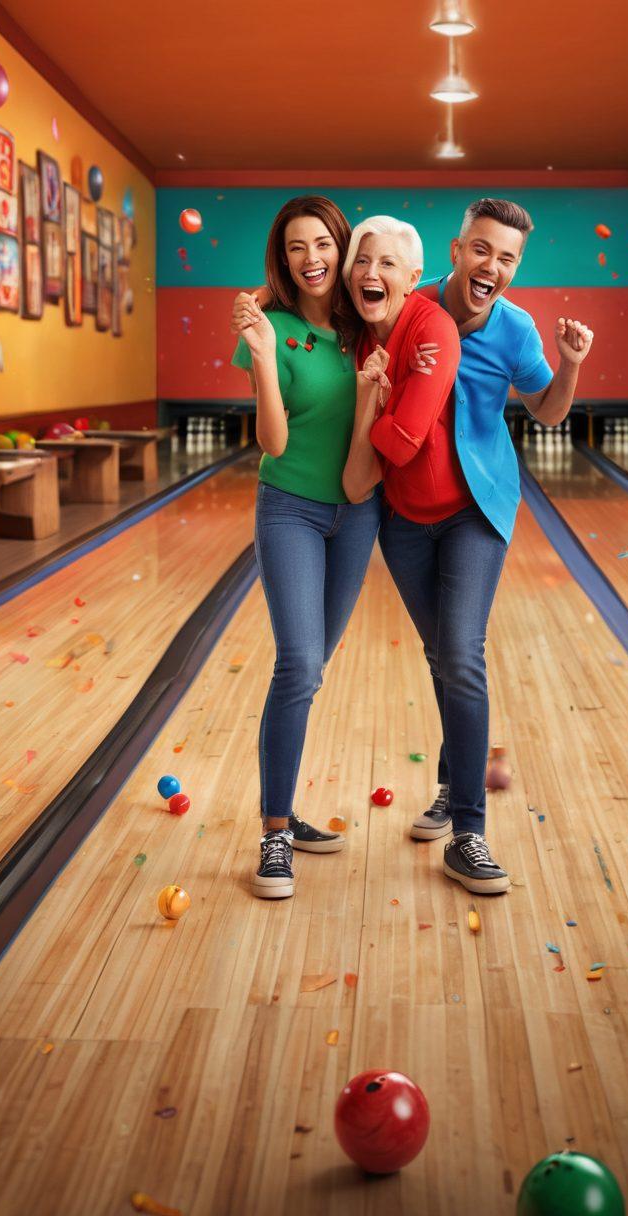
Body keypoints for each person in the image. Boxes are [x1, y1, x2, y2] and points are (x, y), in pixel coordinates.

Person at [344, 199, 594, 895]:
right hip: (403, 515)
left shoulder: (514, 328)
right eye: (483, 249)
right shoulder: (407, 309)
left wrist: (569, 365)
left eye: (508, 257)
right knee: (443, 655)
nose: (493, 265)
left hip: (476, 511)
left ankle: (469, 831)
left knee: (459, 652)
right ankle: (453, 786)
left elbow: (546, 411)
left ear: (515, 267)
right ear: (456, 251)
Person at [230, 196, 380, 900]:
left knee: (313, 668)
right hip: (289, 507)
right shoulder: (269, 329)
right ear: (281, 256)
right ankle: (274, 835)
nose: (312, 257)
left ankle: (286, 811)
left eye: (323, 243)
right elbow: (273, 441)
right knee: (296, 664)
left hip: (356, 514)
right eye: (296, 246)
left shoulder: (367, 326)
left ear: (340, 249)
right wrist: (262, 353)